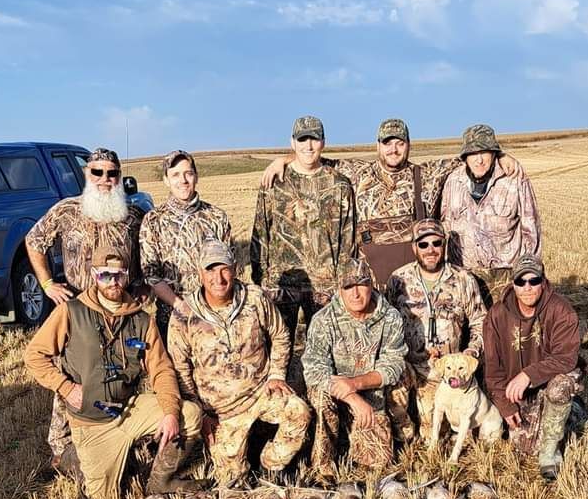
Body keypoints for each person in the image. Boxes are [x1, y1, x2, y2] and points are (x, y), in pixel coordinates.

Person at [24, 244, 202, 499]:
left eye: (119, 275)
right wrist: (66, 387)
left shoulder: (142, 320)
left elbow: (161, 369)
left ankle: (160, 482)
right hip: (92, 424)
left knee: (189, 414)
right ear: (94, 275)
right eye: (105, 274)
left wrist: (170, 412)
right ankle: (71, 458)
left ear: (127, 276)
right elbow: (34, 355)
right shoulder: (71, 312)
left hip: (128, 410)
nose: (113, 281)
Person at [259, 117, 528, 285]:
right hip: (370, 279)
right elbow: (312, 159)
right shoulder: (356, 172)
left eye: (399, 143)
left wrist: (501, 155)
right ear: (378, 146)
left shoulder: (427, 173)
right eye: (387, 143)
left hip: (416, 276)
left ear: (409, 145)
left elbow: (472, 157)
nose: (393, 149)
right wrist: (283, 159)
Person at [25, 148, 144, 473]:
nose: (105, 180)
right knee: (72, 375)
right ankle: (62, 453)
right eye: (98, 172)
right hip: (77, 310)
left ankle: (117, 439)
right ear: (86, 174)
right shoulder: (66, 211)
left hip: (119, 310)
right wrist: (48, 285)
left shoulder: (132, 216)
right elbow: (34, 242)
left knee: (118, 374)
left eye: (112, 173)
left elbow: (143, 262)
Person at [167, 240, 311, 487]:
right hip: (221, 410)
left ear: (234, 268)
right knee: (232, 480)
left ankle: (271, 468)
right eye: (210, 270)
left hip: (261, 393)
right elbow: (180, 367)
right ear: (200, 274)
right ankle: (244, 455)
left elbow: (280, 334)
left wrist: (276, 375)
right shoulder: (184, 314)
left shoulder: (254, 297)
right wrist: (201, 412)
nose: (218, 278)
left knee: (299, 412)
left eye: (224, 269)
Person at [249, 116, 356, 374]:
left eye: (314, 139)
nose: (309, 146)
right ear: (292, 143)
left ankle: (325, 406)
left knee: (327, 354)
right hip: (280, 284)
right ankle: (280, 408)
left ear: (324, 142)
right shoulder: (274, 183)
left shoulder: (340, 184)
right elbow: (260, 232)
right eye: (302, 139)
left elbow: (348, 240)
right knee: (277, 352)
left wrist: (344, 283)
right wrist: (260, 281)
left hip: (324, 285)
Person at [302, 256, 407, 478]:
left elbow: (394, 364)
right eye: (348, 286)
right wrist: (351, 395)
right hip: (336, 395)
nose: (356, 293)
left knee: (380, 463)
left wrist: (356, 383)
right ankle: (324, 465)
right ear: (339, 290)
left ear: (372, 285)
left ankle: (350, 439)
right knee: (320, 395)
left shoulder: (390, 317)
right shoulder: (323, 320)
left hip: (371, 397)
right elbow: (314, 368)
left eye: (362, 284)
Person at [385, 218, 487, 442]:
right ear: (414, 248)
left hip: (446, 372)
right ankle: (403, 435)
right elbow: (385, 324)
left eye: (436, 243)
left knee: (434, 434)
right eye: (423, 244)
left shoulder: (463, 279)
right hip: (408, 365)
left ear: (444, 245)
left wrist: (471, 353)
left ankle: (431, 428)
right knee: (393, 381)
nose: (430, 250)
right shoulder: (398, 279)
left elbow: (480, 322)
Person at [482, 253, 582, 481]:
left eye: (534, 281)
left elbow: (566, 358)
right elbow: (493, 370)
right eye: (521, 281)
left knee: (559, 388)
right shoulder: (496, 315)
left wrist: (528, 374)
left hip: (551, 380)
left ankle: (550, 454)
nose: (527, 288)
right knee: (526, 446)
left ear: (543, 282)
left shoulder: (561, 310)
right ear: (513, 284)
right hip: (521, 392)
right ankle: (576, 414)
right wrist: (506, 406)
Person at [439, 124, 541, 306]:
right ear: (464, 157)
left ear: (495, 153)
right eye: (473, 153)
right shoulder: (452, 182)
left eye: (485, 152)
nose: (479, 160)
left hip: (506, 278)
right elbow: (445, 228)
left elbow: (531, 232)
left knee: (509, 332)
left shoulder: (514, 179)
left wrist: (529, 279)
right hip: (465, 279)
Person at [139, 149, 232, 338]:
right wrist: (181, 306)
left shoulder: (216, 217)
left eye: (188, 173)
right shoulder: (153, 220)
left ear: (196, 177)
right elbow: (151, 275)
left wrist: (210, 308)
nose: (183, 180)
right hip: (172, 318)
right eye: (175, 175)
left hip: (213, 316)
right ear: (166, 180)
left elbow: (228, 268)